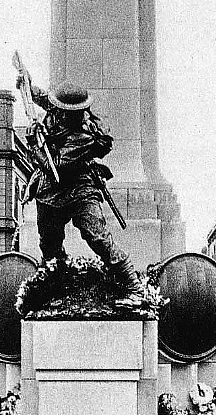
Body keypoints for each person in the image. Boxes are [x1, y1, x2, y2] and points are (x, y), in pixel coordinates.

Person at [18, 76, 144, 307]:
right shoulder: (58, 109)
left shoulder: (83, 136)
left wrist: (33, 144)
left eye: (71, 113)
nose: (64, 115)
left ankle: (133, 287)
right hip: (50, 192)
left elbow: (54, 167)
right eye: (61, 110)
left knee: (97, 237)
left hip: (79, 189)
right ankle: (57, 285)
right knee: (49, 244)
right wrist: (26, 84)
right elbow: (42, 98)